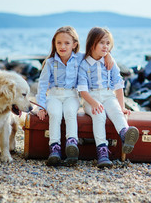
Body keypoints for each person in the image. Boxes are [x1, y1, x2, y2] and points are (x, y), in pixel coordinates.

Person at [36, 26, 113, 166]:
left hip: (72, 95)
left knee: (70, 112)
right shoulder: (50, 62)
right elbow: (42, 85)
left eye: (67, 43)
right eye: (59, 43)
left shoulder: (80, 58)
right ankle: (55, 148)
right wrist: (41, 106)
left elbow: (97, 52)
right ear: (54, 43)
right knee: (54, 113)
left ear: (74, 45)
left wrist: (108, 55)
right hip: (54, 95)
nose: (62, 46)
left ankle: (72, 144)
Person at [77, 27, 139, 168]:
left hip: (107, 95)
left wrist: (122, 107)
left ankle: (125, 134)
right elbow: (83, 91)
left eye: (108, 43)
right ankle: (102, 151)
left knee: (116, 111)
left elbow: (118, 85)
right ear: (92, 44)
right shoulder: (84, 64)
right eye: (102, 43)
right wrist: (93, 103)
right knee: (99, 115)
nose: (106, 46)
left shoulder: (110, 62)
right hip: (90, 99)